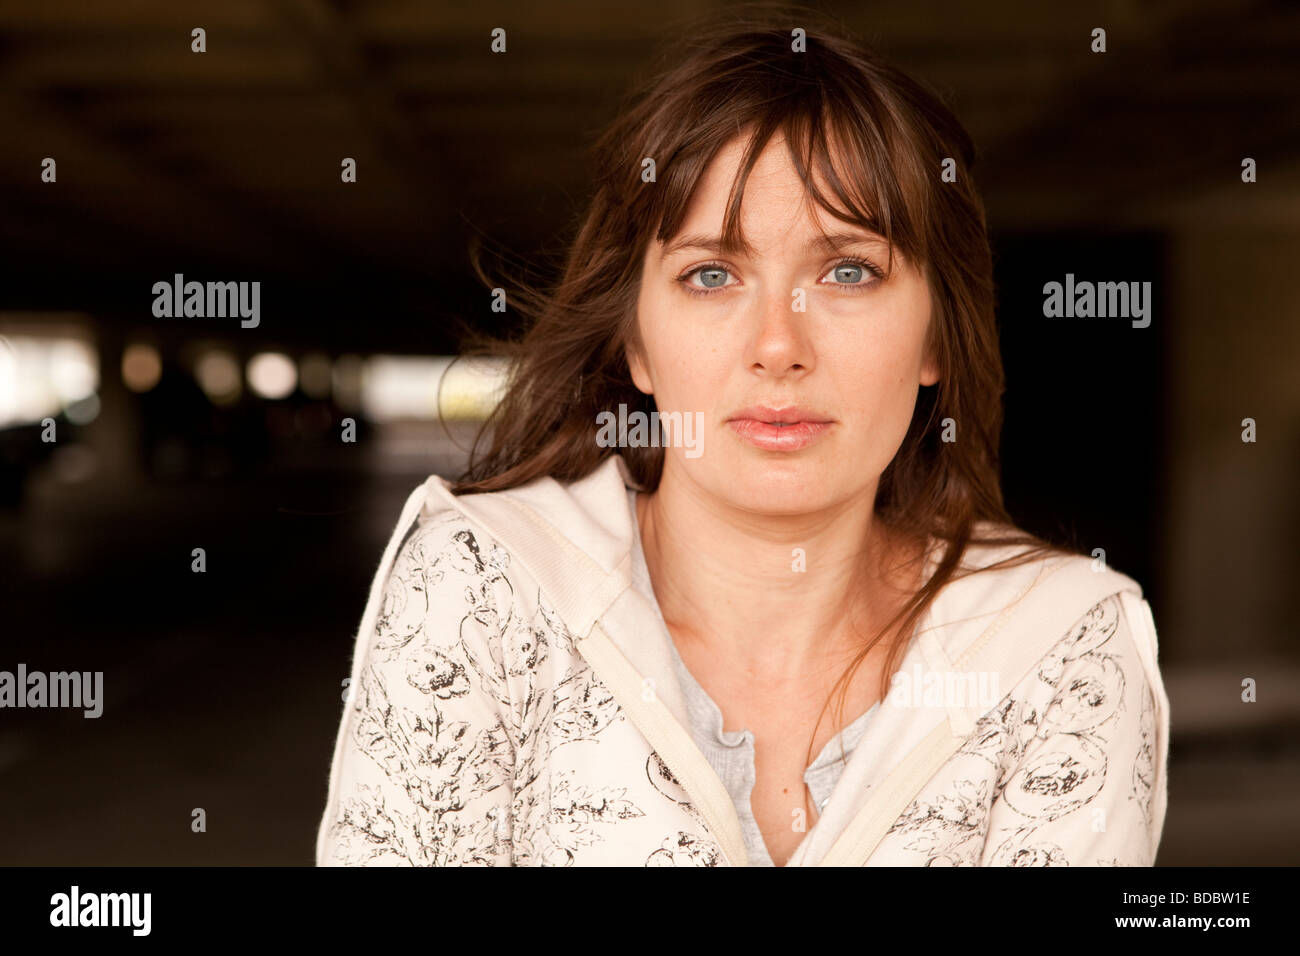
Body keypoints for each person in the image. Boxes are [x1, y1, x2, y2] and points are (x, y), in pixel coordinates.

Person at [316, 7, 1170, 867]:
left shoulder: (1061, 646)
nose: (778, 347)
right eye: (711, 275)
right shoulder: (481, 589)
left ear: (937, 337)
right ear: (637, 343)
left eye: (848, 272)